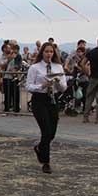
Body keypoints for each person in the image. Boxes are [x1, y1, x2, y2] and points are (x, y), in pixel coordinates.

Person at [26, 43, 67, 174]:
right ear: (42, 53)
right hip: (39, 99)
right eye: (46, 52)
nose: (49, 54)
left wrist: (58, 81)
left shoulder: (58, 67)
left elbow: (64, 87)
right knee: (46, 130)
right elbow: (29, 86)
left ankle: (39, 147)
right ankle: (46, 162)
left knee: (52, 132)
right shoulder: (35, 68)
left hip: (53, 99)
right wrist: (41, 86)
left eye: (51, 52)